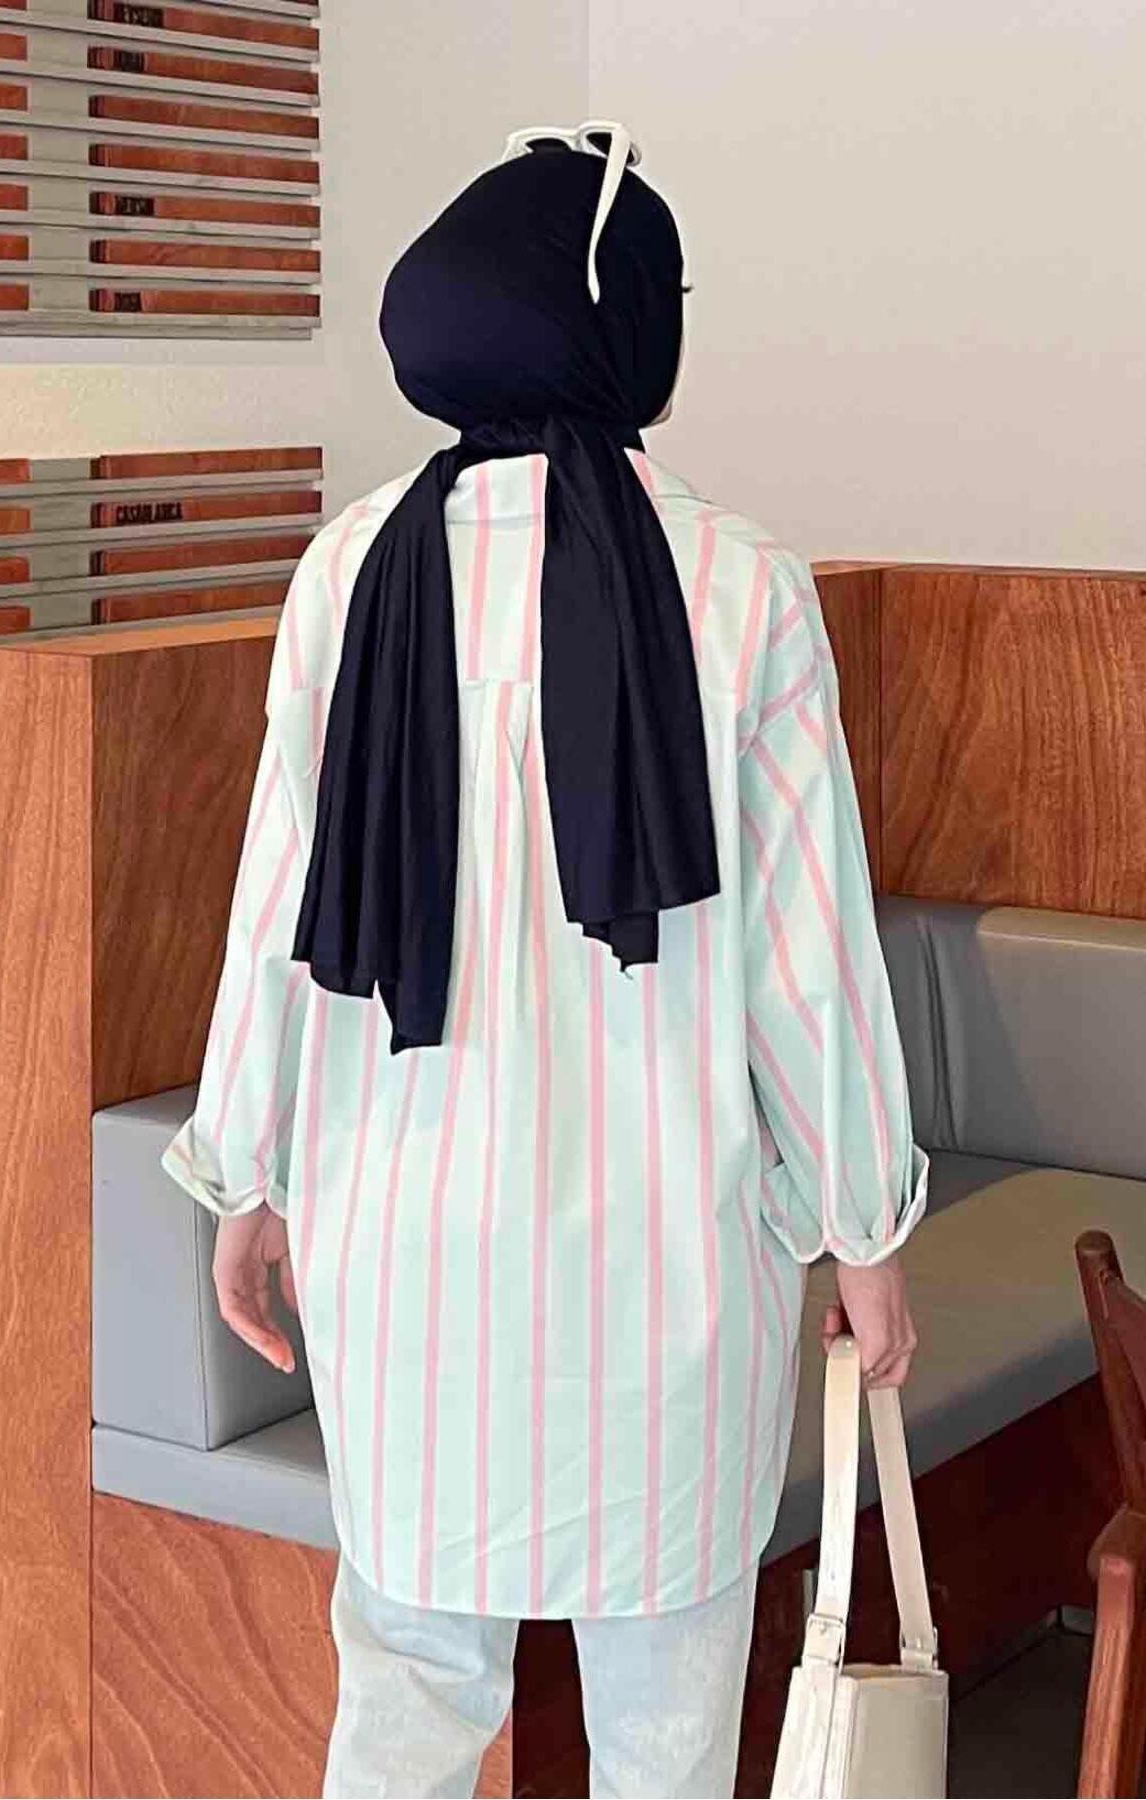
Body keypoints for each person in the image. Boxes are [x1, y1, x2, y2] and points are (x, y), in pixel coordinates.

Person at [161, 119, 928, 1800]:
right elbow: (809, 958)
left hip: (402, 1249)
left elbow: (278, 908)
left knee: (406, 1702)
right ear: (630, 321)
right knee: (667, 1724)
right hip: (669, 1258)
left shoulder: (348, 568)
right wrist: (865, 1226)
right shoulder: (742, 583)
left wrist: (248, 1178)